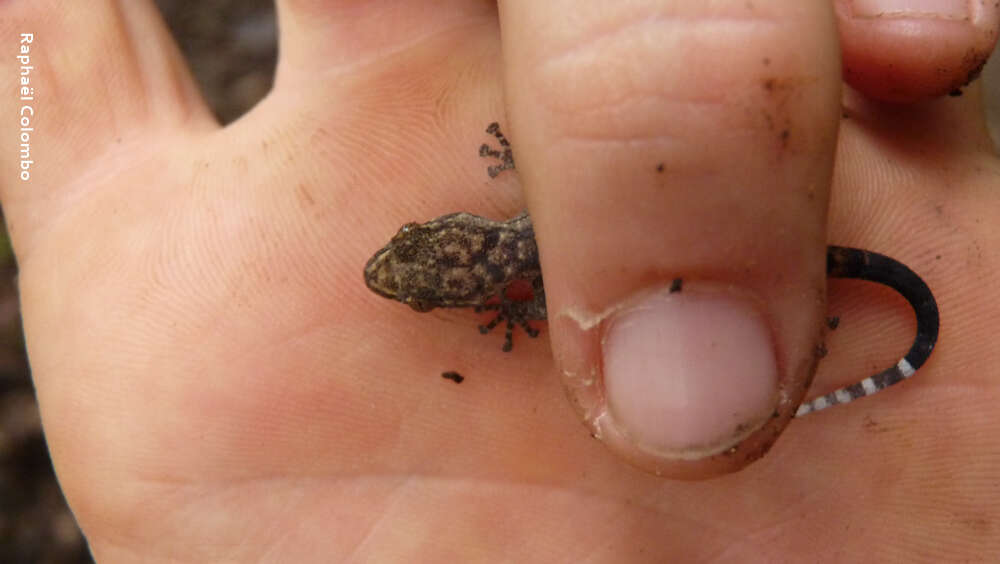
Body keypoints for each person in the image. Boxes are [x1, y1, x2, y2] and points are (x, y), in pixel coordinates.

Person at [3, 1, 998, 560]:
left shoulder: (519, 277)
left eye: (416, 272)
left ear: (454, 247)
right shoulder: (515, 233)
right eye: (417, 281)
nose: (398, 278)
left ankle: (872, 366)